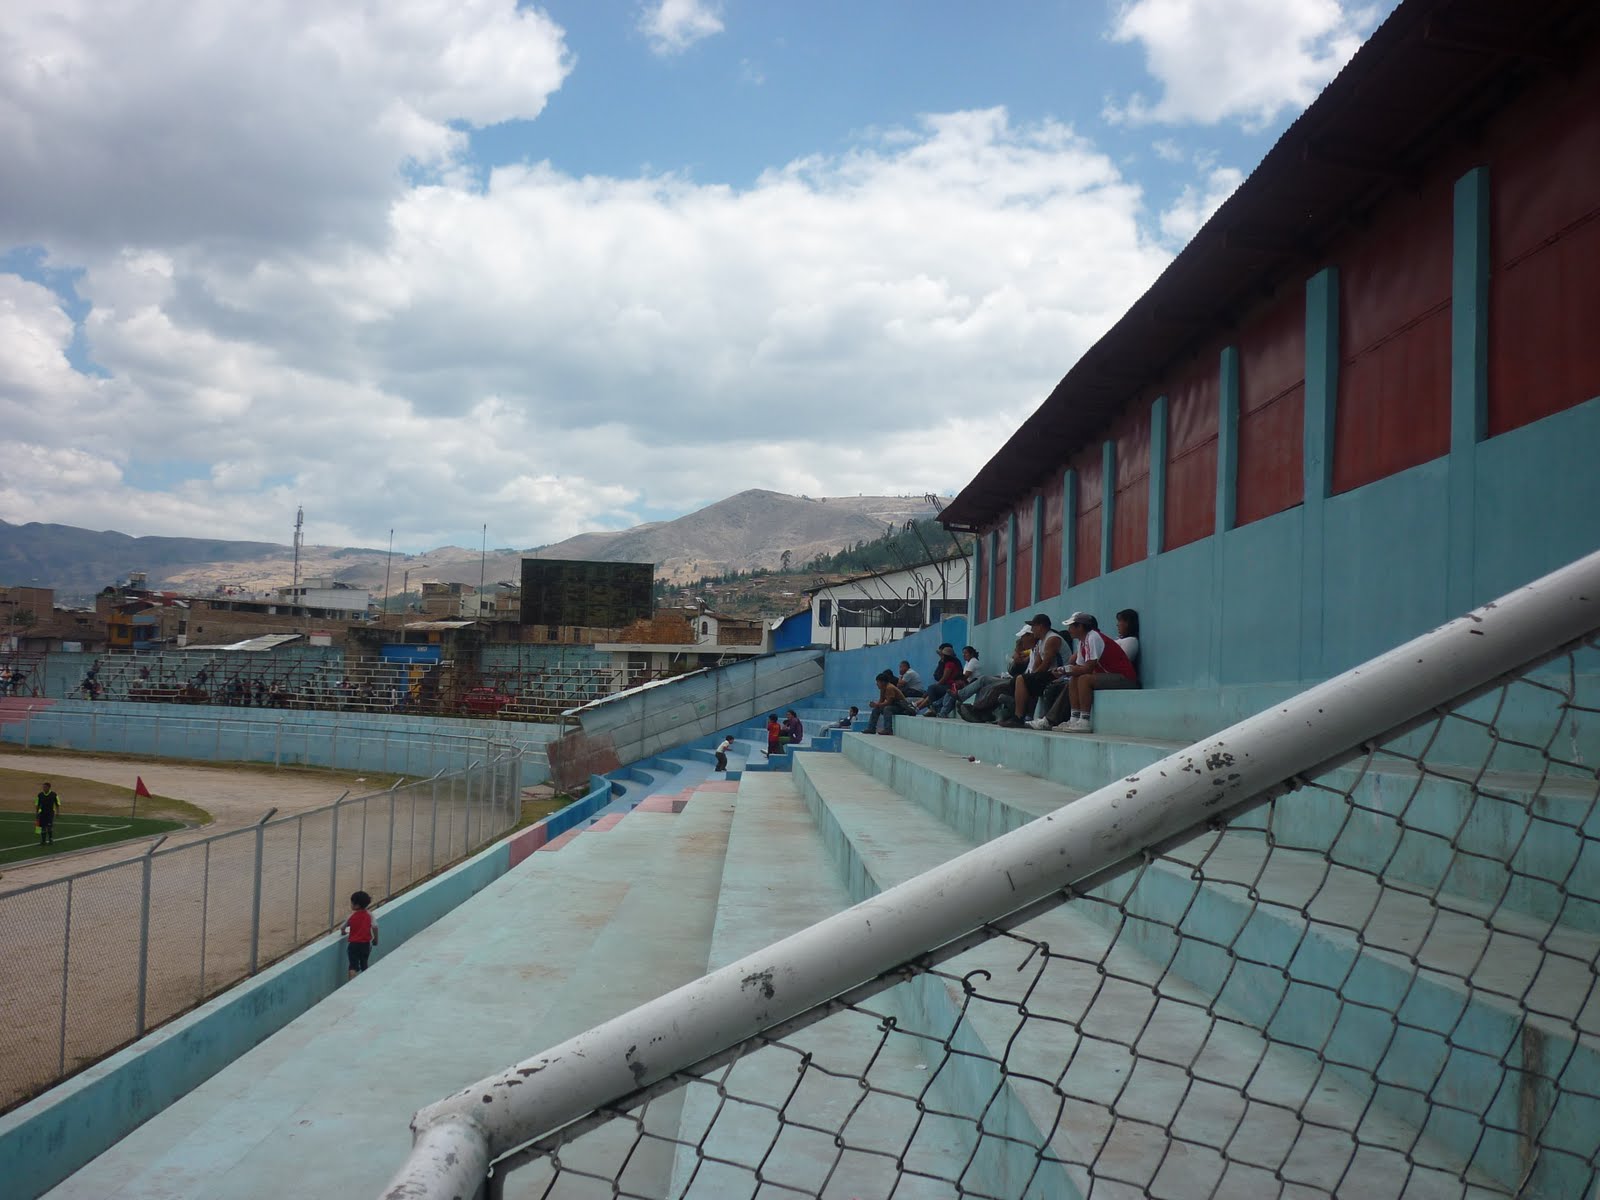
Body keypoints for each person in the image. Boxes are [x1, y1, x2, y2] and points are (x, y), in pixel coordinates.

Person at [1033, 611, 1139, 732]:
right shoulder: (1082, 642)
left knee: (1084, 679)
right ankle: (1074, 719)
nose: (1069, 629)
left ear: (1081, 627)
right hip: (1110, 677)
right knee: (1074, 679)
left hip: (1126, 679)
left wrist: (1066, 669)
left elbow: (1087, 668)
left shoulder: (1093, 637)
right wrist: (1064, 670)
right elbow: (1079, 667)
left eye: (1072, 626)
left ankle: (1084, 721)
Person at [1005, 614, 1067, 728]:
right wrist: (1032, 676)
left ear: (1041, 626)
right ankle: (1019, 712)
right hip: (1049, 673)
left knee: (1022, 679)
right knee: (1018, 680)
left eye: (1033, 626)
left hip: (1059, 674)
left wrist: (1031, 678)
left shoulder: (1052, 639)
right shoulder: (1040, 642)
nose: (1032, 629)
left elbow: (1046, 664)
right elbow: (1037, 664)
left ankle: (1019, 717)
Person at [341, 890, 379, 980]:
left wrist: (343, 932)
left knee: (353, 966)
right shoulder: (369, 915)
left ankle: (351, 983)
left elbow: (342, 927)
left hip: (353, 945)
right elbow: (375, 927)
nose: (351, 905)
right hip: (365, 944)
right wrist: (376, 939)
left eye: (352, 903)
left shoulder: (351, 916)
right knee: (364, 964)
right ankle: (364, 981)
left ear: (356, 905)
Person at [916, 644, 963, 714]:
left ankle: (930, 707)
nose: (941, 656)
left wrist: (937, 685)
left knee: (932, 688)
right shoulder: (951, 662)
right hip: (949, 685)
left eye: (943, 655)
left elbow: (944, 678)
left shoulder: (949, 664)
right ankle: (918, 707)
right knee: (931, 690)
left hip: (951, 686)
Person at [36, 781, 60, 846]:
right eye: (43, 787)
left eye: (45, 787)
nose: (43, 788)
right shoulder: (40, 795)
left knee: (49, 827)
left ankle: (50, 839)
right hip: (42, 813)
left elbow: (57, 804)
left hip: (50, 813)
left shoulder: (54, 794)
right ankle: (43, 841)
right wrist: (37, 813)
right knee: (43, 827)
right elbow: (37, 804)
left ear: (49, 787)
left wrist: (58, 812)